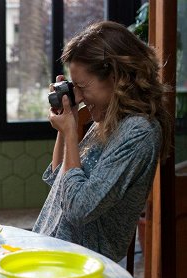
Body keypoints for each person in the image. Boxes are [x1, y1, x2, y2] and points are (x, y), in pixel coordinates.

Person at [32, 21, 173, 262]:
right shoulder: (105, 121)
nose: (78, 96)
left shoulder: (139, 133)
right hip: (54, 254)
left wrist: (70, 133)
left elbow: (78, 208)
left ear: (116, 78)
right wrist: (67, 124)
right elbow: (60, 181)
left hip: (85, 267)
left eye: (82, 86)